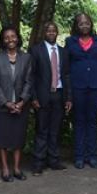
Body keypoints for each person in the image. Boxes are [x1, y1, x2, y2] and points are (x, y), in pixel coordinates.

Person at [65, 13, 97, 169]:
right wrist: (69, 93)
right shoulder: (70, 42)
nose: (84, 26)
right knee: (78, 122)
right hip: (78, 87)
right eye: (81, 23)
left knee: (92, 121)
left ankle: (92, 156)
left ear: (91, 24)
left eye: (87, 23)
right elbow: (66, 69)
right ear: (76, 26)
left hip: (95, 88)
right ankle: (79, 156)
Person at [0, 26, 33, 182]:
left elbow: (29, 81)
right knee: (2, 139)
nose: (10, 39)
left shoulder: (26, 58)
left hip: (21, 105)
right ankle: (5, 169)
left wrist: (22, 102)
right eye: (6, 37)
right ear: (2, 40)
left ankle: (16, 168)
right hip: (2, 107)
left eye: (13, 36)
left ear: (18, 37)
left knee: (18, 138)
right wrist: (6, 103)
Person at [29, 22, 71, 176]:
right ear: (44, 33)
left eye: (54, 31)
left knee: (55, 130)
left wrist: (68, 98)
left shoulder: (63, 52)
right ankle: (38, 163)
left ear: (57, 33)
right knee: (41, 130)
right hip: (42, 96)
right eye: (48, 31)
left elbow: (66, 75)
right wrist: (33, 97)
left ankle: (53, 161)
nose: (51, 33)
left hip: (59, 95)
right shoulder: (36, 50)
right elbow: (31, 76)